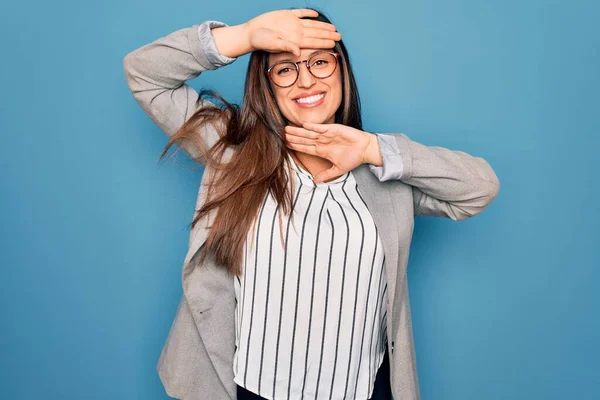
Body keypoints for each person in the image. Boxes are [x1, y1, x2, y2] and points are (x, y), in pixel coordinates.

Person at [123, 7, 500, 400]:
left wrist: (375, 149)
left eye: (320, 62)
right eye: (285, 68)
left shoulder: (386, 173)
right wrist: (246, 36)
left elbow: (480, 188)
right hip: (250, 390)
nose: (305, 80)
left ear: (341, 71)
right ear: (267, 85)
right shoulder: (232, 152)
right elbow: (144, 74)